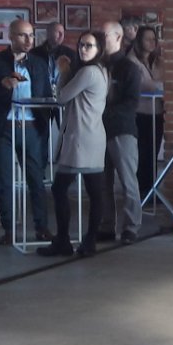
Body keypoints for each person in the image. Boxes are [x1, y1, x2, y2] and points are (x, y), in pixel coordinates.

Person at [0, 18, 55, 246]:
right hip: (3, 126)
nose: (29, 40)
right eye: (23, 35)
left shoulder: (39, 63)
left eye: (31, 35)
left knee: (36, 179)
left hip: (31, 126)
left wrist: (46, 121)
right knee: (5, 180)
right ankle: (9, 229)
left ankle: (42, 227)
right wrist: (1, 85)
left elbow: (46, 95)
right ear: (11, 37)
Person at [41, 30, 108, 257]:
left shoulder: (88, 72)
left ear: (99, 49)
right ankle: (86, 240)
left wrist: (63, 72)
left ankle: (66, 240)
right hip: (91, 136)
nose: (83, 49)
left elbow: (62, 97)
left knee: (61, 188)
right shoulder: (100, 70)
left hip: (81, 137)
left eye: (89, 45)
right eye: (81, 45)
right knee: (93, 190)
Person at [100, 19, 143, 245]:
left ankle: (131, 227)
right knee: (102, 182)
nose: (100, 40)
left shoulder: (129, 68)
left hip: (122, 130)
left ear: (118, 37)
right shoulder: (96, 66)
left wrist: (102, 111)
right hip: (98, 131)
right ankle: (106, 225)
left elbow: (131, 103)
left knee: (127, 181)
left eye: (104, 36)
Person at [131, 24, 164, 170]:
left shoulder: (157, 61)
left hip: (157, 113)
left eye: (153, 39)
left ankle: (152, 183)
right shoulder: (132, 61)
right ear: (139, 41)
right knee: (143, 155)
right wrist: (161, 85)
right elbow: (144, 84)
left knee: (153, 154)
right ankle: (143, 184)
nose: (151, 42)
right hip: (141, 114)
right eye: (147, 39)